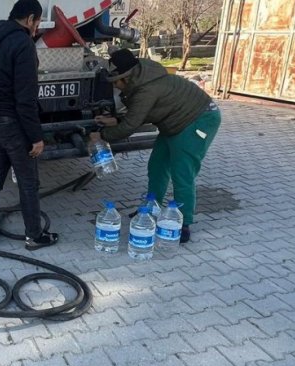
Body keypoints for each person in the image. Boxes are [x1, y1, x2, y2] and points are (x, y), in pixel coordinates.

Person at [95, 49, 221, 243]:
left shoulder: (146, 90)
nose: (117, 88)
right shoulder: (143, 79)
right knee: (157, 166)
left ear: (126, 78)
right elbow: (138, 115)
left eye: (117, 83)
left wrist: (101, 136)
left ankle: (183, 223)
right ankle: (151, 208)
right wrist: (114, 120)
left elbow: (130, 126)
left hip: (199, 120)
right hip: (174, 122)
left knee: (182, 172)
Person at [0, 0, 58, 251]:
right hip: (13, 124)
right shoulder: (22, 43)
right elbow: (26, 98)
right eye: (39, 22)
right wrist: (36, 137)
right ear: (30, 18)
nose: (38, 27)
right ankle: (34, 236)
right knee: (28, 183)